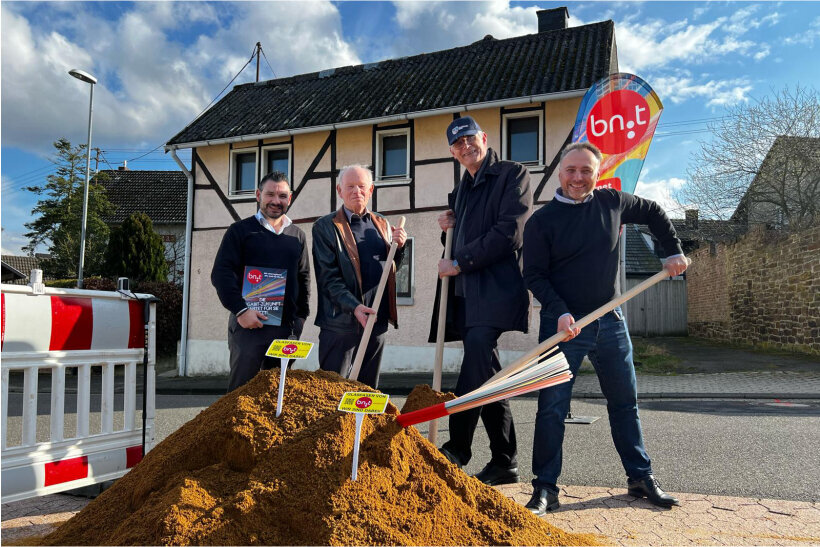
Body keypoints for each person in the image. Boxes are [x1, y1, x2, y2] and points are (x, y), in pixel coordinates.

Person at [522, 142, 689, 514]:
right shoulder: (542, 222)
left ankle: (640, 477)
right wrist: (559, 311)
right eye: (571, 170)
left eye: (586, 170)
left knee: (625, 403)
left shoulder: (612, 202)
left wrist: (672, 249)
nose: (578, 178)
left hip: (610, 322)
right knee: (551, 409)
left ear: (597, 173)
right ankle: (545, 488)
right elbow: (533, 274)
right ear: (559, 173)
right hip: (563, 327)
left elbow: (654, 211)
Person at [431, 116, 532, 486]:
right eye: (458, 144)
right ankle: (505, 461)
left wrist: (459, 262)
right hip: (466, 296)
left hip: (495, 290)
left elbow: (510, 233)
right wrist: (448, 230)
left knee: (475, 363)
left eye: (470, 139)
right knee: (487, 372)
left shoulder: (512, 174)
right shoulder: (461, 190)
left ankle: (457, 447)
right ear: (453, 152)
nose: (465, 147)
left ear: (484, 138)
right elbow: (460, 240)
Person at [211, 171, 310, 392]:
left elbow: (303, 277)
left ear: (289, 198)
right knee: (241, 393)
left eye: (282, 196)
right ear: (258, 195)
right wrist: (241, 311)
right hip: (248, 326)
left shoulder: (297, 236)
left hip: (286, 330)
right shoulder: (240, 231)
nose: (276, 201)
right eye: (270, 194)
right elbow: (221, 274)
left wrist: (301, 318)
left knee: (276, 394)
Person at [312, 165, 407, 388]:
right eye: (350, 186)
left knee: (366, 392)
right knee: (332, 391)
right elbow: (328, 279)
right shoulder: (325, 227)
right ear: (339, 191)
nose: (357, 191)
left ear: (371, 190)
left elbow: (390, 269)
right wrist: (354, 306)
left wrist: (400, 248)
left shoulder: (382, 224)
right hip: (340, 326)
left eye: (362, 186)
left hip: (376, 322)